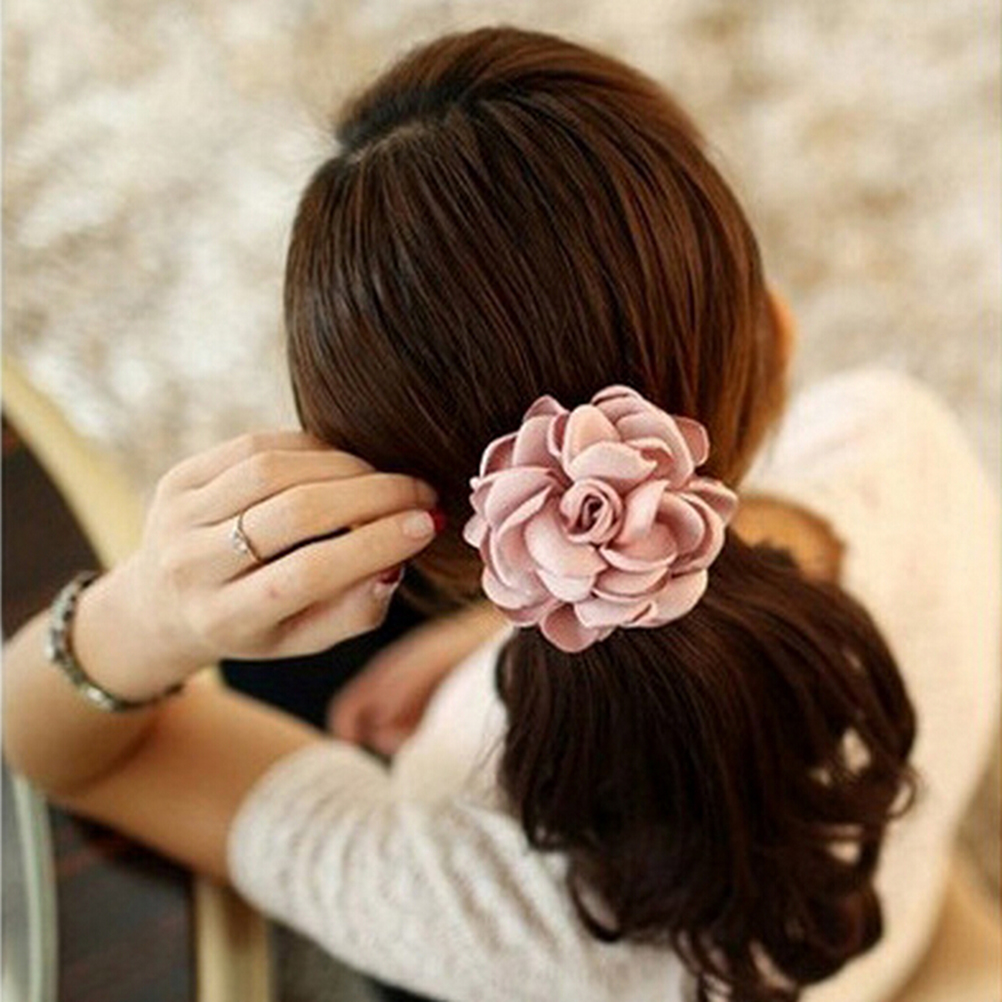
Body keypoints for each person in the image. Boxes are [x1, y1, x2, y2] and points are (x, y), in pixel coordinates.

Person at [3, 24, 998, 1002]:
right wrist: (499, 627)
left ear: (417, 531)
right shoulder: (898, 446)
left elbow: (53, 751)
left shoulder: (460, 853)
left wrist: (153, 610)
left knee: (289, 668)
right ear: (774, 335)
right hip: (895, 937)